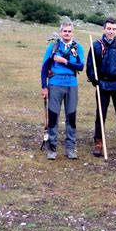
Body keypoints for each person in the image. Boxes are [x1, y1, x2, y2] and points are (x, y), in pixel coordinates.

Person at [86, 17, 116, 157]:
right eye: (109, 29)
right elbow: (90, 67)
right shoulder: (96, 45)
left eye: (113, 29)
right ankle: (98, 142)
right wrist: (94, 80)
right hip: (102, 84)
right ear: (104, 29)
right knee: (101, 114)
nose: (111, 31)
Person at [41, 21, 84, 160]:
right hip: (55, 83)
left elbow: (80, 67)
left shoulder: (78, 48)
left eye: (69, 31)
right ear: (61, 32)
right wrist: (44, 86)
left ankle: (70, 149)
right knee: (53, 116)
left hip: (72, 83)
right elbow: (44, 67)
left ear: (73, 32)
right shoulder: (53, 47)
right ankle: (52, 148)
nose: (67, 33)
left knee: (71, 116)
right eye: (64, 31)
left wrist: (64, 61)